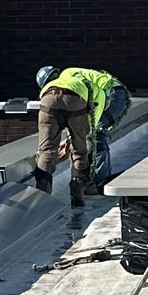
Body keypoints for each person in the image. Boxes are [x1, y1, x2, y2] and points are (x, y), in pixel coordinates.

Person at [32, 63, 127, 205]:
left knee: (46, 150)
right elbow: (88, 125)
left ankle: (42, 193)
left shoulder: (53, 84)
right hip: (77, 97)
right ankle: (79, 193)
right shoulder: (78, 79)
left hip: (50, 97)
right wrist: (80, 136)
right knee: (81, 149)